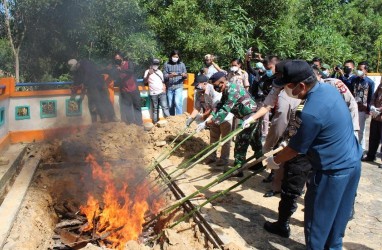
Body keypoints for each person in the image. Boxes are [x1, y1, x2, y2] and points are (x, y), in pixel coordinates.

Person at [248, 60, 361, 249]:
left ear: (301, 85)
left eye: (286, 87)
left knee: (317, 226)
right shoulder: (329, 90)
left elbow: (294, 150)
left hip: (330, 173)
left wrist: (274, 160)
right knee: (336, 226)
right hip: (352, 165)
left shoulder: (311, 112)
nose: (285, 91)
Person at [196, 71, 262, 177]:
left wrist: (208, 123)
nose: (216, 89)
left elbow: (225, 110)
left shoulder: (233, 89)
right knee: (255, 140)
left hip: (250, 117)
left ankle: (238, 169)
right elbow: (220, 105)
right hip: (245, 116)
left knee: (241, 142)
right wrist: (208, 119)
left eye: (216, 86)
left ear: (222, 82)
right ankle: (259, 163)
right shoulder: (226, 90)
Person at [186, 74, 232, 166]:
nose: (196, 87)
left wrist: (205, 121)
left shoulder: (214, 90)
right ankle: (212, 157)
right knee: (213, 138)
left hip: (224, 116)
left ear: (205, 83)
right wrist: (190, 119)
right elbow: (197, 108)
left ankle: (224, 160)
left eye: (197, 84)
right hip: (212, 118)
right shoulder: (198, 93)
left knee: (225, 139)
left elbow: (215, 109)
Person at [68, 59, 116, 123]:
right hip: (93, 85)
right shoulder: (78, 70)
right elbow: (76, 81)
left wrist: (83, 84)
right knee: (98, 101)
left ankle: (112, 117)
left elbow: (88, 75)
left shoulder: (86, 63)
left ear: (76, 65)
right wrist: (74, 90)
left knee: (105, 99)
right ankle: (105, 118)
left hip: (99, 83)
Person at [112, 52, 142, 126]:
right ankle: (131, 123)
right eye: (116, 59)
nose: (117, 60)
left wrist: (121, 70)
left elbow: (131, 71)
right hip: (124, 90)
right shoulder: (116, 67)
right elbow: (116, 78)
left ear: (122, 58)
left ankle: (139, 124)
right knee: (127, 108)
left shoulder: (129, 63)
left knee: (137, 106)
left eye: (118, 59)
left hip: (134, 89)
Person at [351, 61, 375, 153]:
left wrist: (368, 110)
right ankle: (354, 147)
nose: (359, 71)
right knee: (353, 129)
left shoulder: (370, 82)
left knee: (361, 130)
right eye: (358, 69)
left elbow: (371, 97)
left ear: (366, 70)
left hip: (362, 109)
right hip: (353, 108)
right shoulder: (354, 80)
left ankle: (361, 149)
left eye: (361, 69)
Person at [144, 58, 170, 124]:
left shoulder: (160, 72)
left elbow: (163, 81)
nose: (155, 65)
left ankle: (170, 122)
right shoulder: (147, 71)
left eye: (157, 64)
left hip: (161, 92)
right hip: (153, 93)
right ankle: (155, 124)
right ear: (151, 64)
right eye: (154, 64)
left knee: (165, 107)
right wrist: (148, 74)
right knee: (155, 109)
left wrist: (164, 88)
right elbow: (145, 81)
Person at [362, 82, 382, 166]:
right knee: (373, 137)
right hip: (375, 116)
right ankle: (371, 155)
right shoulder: (380, 86)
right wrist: (373, 107)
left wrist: (379, 110)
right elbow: (374, 97)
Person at [163, 50, 188, 115]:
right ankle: (172, 119)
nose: (175, 58)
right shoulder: (166, 64)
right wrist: (169, 75)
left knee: (177, 102)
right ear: (171, 56)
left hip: (178, 86)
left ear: (179, 57)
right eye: (174, 56)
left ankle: (179, 119)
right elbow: (164, 75)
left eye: (177, 57)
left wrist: (184, 75)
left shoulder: (182, 64)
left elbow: (186, 75)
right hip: (170, 87)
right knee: (170, 104)